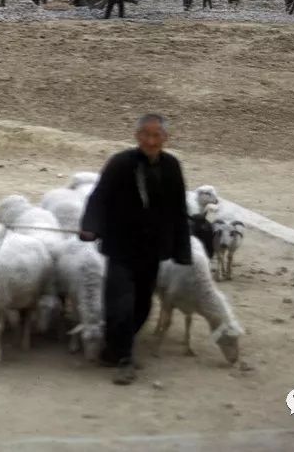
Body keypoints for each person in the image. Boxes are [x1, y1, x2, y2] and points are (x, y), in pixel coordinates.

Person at [80, 113, 192, 385]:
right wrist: (91, 226)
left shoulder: (172, 167)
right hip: (120, 245)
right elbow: (100, 197)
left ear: (165, 139)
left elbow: (178, 209)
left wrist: (181, 248)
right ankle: (125, 359)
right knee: (120, 304)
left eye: (156, 136)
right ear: (137, 136)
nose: (151, 141)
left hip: (151, 249)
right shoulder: (120, 163)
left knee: (142, 304)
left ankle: (115, 348)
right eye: (146, 135)